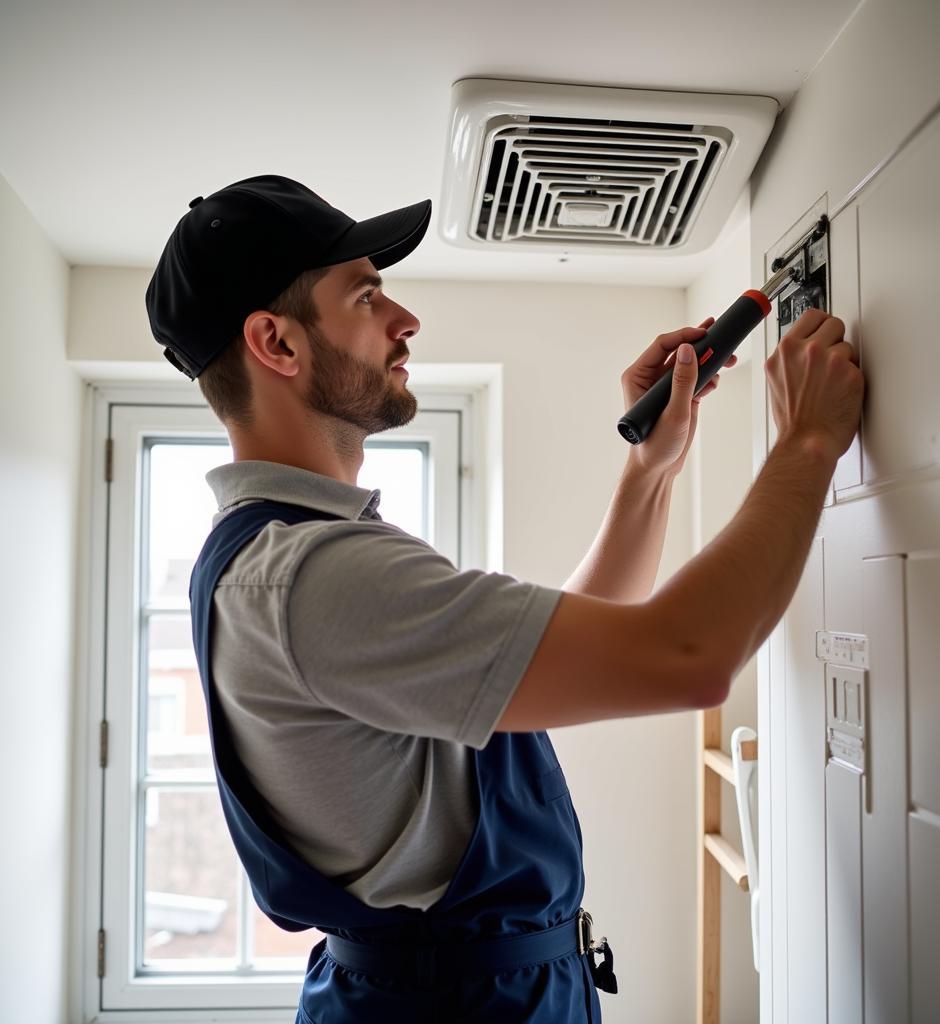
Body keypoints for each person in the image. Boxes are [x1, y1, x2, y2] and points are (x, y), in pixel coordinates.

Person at [146, 173, 864, 1023]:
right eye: (367, 295)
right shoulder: (313, 575)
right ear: (277, 342)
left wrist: (654, 464)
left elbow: (599, 632)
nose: (404, 320)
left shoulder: (282, 558)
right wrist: (809, 442)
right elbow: (687, 657)